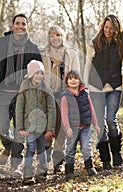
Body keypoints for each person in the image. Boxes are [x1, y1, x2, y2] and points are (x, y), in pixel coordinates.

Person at [0, 14, 42, 175]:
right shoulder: (1, 44)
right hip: (2, 92)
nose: (20, 26)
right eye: (18, 23)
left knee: (19, 130)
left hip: (22, 94)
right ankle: (9, 146)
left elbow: (39, 72)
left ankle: (15, 165)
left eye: (24, 24)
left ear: (27, 27)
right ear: (12, 25)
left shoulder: (33, 47)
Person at [83, 15, 123, 170]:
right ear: (103, 27)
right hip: (96, 88)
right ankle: (105, 159)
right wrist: (85, 86)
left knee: (111, 120)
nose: (108, 30)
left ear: (116, 29)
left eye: (112, 28)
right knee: (100, 124)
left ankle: (116, 153)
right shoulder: (94, 44)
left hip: (114, 87)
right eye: (106, 27)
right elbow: (88, 66)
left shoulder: (121, 44)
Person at [40, 25, 80, 173]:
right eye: (52, 35)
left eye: (58, 35)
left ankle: (58, 161)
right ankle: (45, 159)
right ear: (48, 38)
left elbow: (76, 76)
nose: (55, 38)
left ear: (63, 37)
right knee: (48, 128)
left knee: (63, 130)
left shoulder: (71, 54)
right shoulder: (43, 53)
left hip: (65, 95)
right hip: (48, 95)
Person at [15, 60, 56, 185]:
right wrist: (20, 127)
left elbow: (51, 109)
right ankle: (27, 175)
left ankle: (42, 173)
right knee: (31, 148)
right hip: (29, 126)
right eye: (36, 73)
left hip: (43, 126)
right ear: (31, 74)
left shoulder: (46, 89)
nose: (39, 76)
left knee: (42, 148)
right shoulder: (24, 88)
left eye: (41, 73)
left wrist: (50, 128)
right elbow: (19, 107)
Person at [61, 70, 100, 180]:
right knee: (70, 150)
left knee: (86, 147)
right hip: (72, 128)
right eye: (70, 78)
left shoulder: (85, 94)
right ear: (67, 81)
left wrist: (95, 124)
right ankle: (69, 171)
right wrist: (67, 128)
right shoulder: (65, 96)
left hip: (85, 127)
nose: (73, 80)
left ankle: (90, 167)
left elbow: (91, 109)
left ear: (80, 80)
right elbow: (64, 114)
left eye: (75, 78)